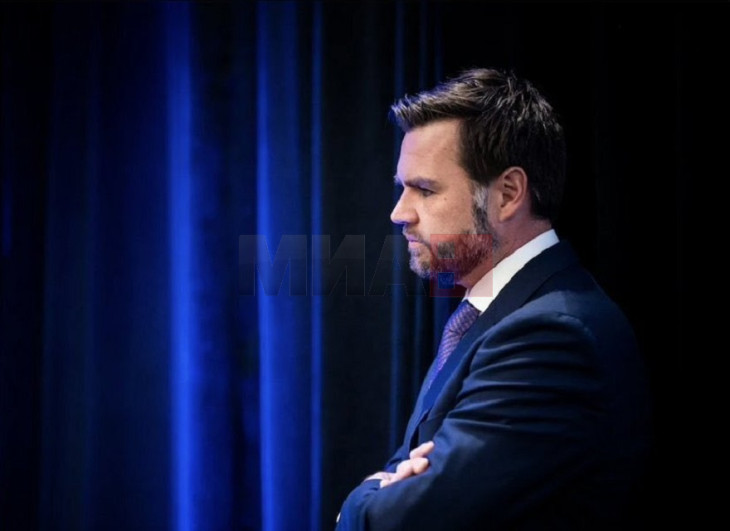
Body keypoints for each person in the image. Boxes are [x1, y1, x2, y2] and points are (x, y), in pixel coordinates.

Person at [335, 68, 651, 530]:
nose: (399, 213)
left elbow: (407, 520)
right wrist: (388, 491)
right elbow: (408, 470)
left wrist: (357, 503)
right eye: (403, 188)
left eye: (424, 189)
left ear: (507, 194)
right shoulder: (497, 313)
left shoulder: (551, 336)